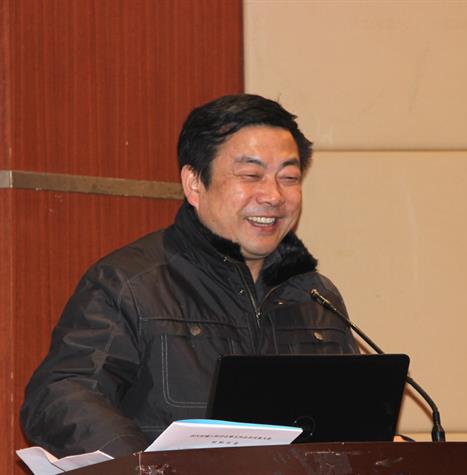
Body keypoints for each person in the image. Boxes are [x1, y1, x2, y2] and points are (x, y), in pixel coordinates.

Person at [20, 94, 358, 458]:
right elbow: (61, 395)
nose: (274, 196)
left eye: (288, 177)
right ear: (194, 183)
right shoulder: (129, 284)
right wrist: (147, 467)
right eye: (251, 175)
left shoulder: (316, 298)